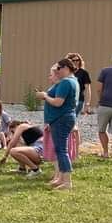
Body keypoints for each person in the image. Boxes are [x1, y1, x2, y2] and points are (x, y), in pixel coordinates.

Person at [39, 58, 79, 190]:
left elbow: (58, 102)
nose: (57, 72)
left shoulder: (66, 82)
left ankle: (67, 181)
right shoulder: (73, 81)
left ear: (66, 68)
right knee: (59, 149)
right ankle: (61, 178)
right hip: (64, 118)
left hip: (61, 119)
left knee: (61, 150)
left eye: (58, 69)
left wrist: (45, 96)